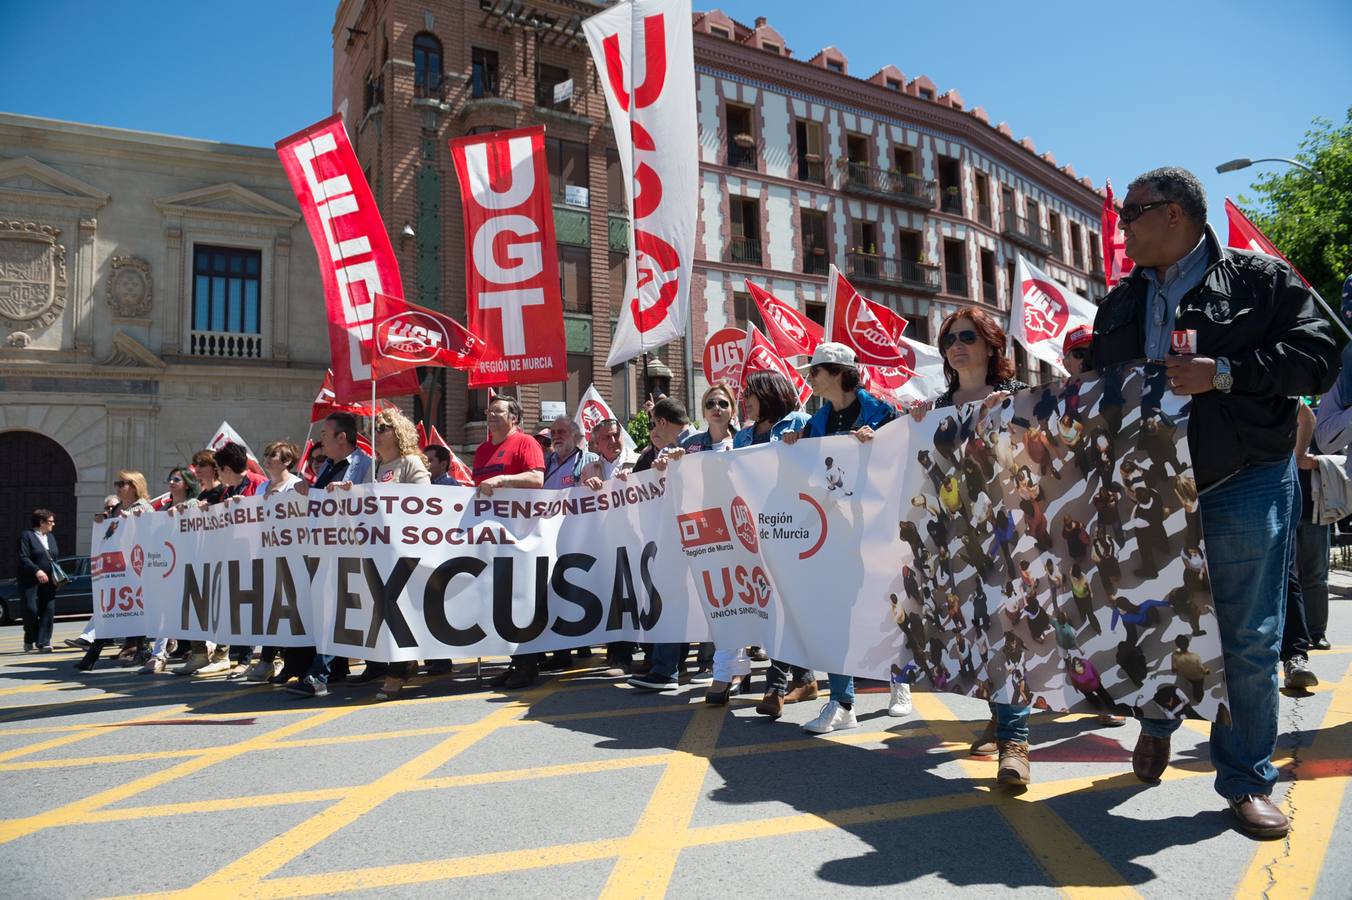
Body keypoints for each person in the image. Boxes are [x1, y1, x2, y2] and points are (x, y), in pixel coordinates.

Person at [1092, 166, 1337, 838]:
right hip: (1149, 490)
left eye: (1131, 213)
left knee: (1249, 638)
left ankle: (1246, 779)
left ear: (1175, 213)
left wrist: (1225, 374)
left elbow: (1320, 356)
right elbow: (1093, 388)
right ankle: (1157, 720)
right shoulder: (1118, 302)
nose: (1122, 226)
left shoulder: (1260, 281)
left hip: (1244, 476)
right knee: (1152, 624)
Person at [918, 306, 1031, 785]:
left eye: (967, 336)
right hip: (956, 538)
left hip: (1012, 534)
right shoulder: (934, 407)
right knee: (975, 630)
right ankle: (1000, 715)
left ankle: (1016, 743)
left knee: (1009, 632)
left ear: (991, 346)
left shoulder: (1020, 398)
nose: (956, 345)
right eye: (948, 340)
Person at [774, 341, 896, 734]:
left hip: (880, 527)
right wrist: (796, 446)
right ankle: (842, 702)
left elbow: (906, 456)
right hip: (834, 531)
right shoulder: (816, 421)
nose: (810, 378)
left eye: (816, 371)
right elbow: (805, 471)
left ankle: (900, 680)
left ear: (839, 372)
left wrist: (879, 441)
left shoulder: (884, 411)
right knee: (833, 613)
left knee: (887, 609)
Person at [629, 383, 740, 694]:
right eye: (710, 404)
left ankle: (720, 667)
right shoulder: (690, 444)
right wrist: (664, 464)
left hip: (729, 532)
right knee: (674, 594)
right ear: (703, 412)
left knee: (722, 599)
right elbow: (661, 472)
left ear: (732, 408)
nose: (716, 408)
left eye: (722, 403)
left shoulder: (744, 443)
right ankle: (666, 670)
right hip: (692, 529)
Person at [283, 412, 373, 697]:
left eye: (325, 434)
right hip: (324, 547)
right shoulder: (329, 466)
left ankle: (319, 675)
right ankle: (334, 669)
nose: (319, 439)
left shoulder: (364, 466)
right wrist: (307, 491)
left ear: (341, 437)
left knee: (336, 611)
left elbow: (373, 500)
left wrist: (353, 492)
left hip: (351, 550)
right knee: (328, 611)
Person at [473, 395, 546, 690]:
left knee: (521, 597)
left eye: (498, 410)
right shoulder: (481, 451)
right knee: (500, 598)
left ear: (514, 417)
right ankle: (515, 662)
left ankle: (528, 665)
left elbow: (537, 479)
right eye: (488, 410)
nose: (490, 414)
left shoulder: (527, 443)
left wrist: (502, 481)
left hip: (521, 533)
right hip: (492, 537)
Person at [365, 409, 432, 699]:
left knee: (394, 603)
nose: (376, 432)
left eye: (382, 427)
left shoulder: (410, 463)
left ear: (398, 432)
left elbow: (428, 500)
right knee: (386, 604)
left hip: (406, 548)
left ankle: (399, 669)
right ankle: (409, 661)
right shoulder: (377, 467)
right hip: (382, 548)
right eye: (375, 427)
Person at [230, 442, 300, 683]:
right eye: (267, 455)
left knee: (288, 608)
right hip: (265, 551)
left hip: (290, 553)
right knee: (269, 608)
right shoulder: (262, 489)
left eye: (274, 456)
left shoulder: (296, 484)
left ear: (287, 461)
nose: (267, 459)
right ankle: (267, 660)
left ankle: (286, 660)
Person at [76, 473, 154, 671]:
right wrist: (103, 521)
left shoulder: (143, 507)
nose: (118, 487)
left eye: (122, 484)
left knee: (129, 610)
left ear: (135, 486)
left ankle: (95, 654)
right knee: (114, 610)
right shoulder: (119, 508)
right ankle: (141, 649)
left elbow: (149, 532)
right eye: (116, 483)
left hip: (136, 567)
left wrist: (130, 521)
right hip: (118, 566)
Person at [18, 508, 59, 653]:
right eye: (50, 522)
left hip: (49, 580)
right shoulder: (27, 536)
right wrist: (37, 570)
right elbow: (23, 557)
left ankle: (43, 642)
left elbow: (55, 559)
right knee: (31, 609)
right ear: (41, 522)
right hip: (30, 580)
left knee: (48, 609)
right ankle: (30, 638)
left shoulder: (51, 537)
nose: (53, 524)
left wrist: (56, 578)